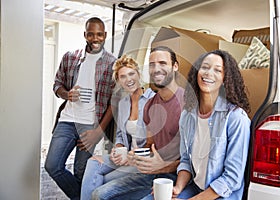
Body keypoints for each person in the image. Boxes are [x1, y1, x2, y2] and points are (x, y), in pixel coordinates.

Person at [91, 46, 185, 200]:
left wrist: (164, 166)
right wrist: (134, 156)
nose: (157, 69)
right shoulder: (150, 105)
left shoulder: (188, 104)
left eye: (162, 63)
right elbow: (149, 145)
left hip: (175, 176)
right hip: (150, 172)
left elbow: (193, 160)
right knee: (98, 194)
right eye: (152, 64)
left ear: (175, 66)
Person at [44, 17, 116, 200]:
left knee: (81, 171)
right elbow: (57, 84)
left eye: (99, 34)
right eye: (91, 34)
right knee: (52, 166)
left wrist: (98, 132)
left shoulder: (112, 63)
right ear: (85, 35)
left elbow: (114, 103)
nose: (95, 38)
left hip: (90, 126)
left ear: (105, 35)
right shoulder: (71, 57)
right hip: (67, 121)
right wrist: (66, 94)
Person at [172, 49, 251, 200]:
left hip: (221, 195)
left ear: (225, 79)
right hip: (195, 188)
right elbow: (186, 161)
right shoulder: (187, 115)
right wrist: (177, 189)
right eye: (205, 67)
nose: (208, 73)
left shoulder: (236, 118)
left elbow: (232, 178)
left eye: (217, 70)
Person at [80, 55, 156, 200]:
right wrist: (118, 149)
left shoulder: (153, 100)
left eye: (131, 74)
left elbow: (154, 142)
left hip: (143, 160)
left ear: (139, 75)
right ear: (119, 81)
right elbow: (121, 134)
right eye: (123, 76)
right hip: (126, 156)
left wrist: (131, 156)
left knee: (102, 180)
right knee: (93, 162)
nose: (128, 79)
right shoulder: (123, 103)